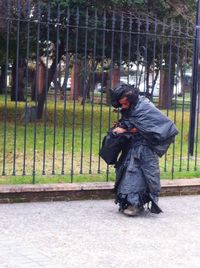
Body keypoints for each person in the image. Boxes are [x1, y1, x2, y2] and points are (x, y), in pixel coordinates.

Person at [109, 83, 178, 216]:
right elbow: (133, 122)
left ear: (128, 97)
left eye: (123, 103)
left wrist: (125, 129)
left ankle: (135, 204)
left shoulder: (144, 107)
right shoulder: (132, 106)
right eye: (120, 104)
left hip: (145, 148)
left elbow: (148, 126)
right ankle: (131, 202)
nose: (122, 106)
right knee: (128, 172)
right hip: (132, 146)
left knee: (136, 174)